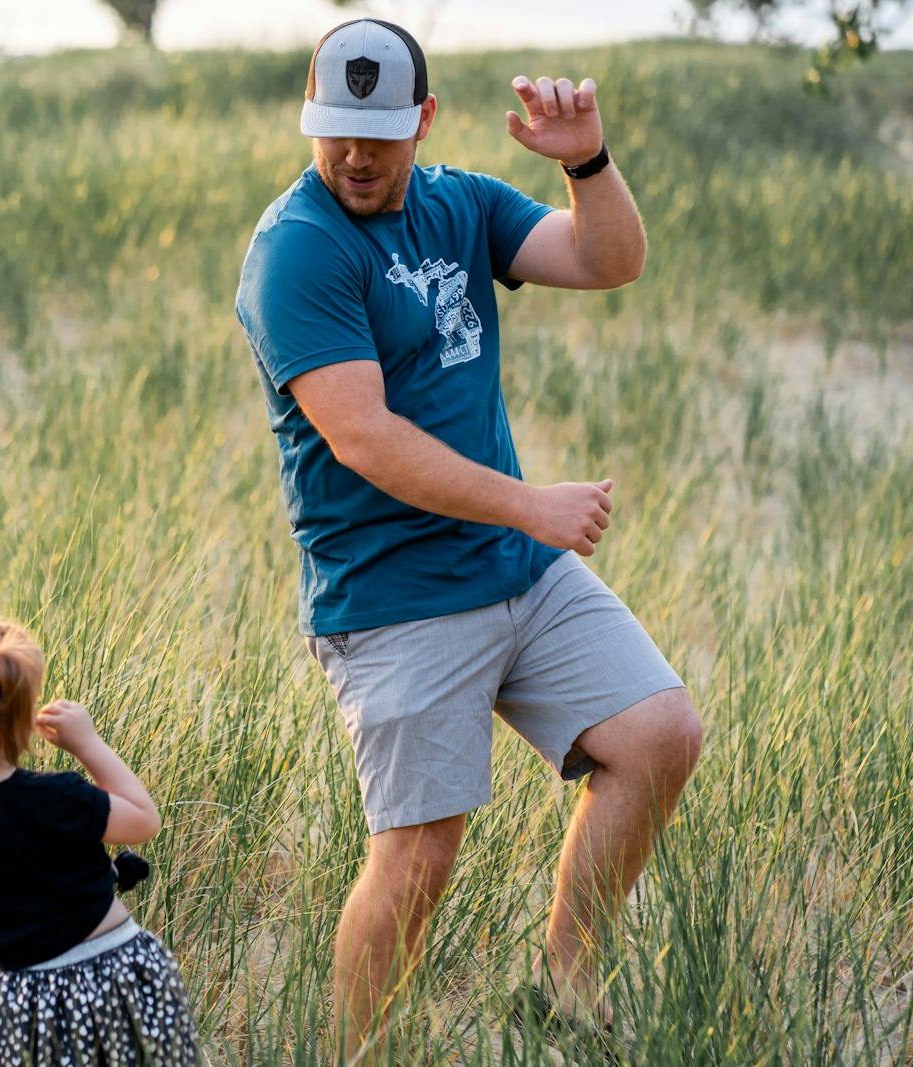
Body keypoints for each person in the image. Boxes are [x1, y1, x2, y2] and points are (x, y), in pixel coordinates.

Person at [235, 17, 703, 1059]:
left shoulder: (462, 204)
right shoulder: (297, 249)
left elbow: (607, 260)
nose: (355, 155)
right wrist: (532, 505)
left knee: (659, 734)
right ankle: (353, 1053)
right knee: (417, 856)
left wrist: (587, 160)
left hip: (513, 569)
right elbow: (364, 438)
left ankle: (567, 976)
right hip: (392, 595)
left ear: (424, 121)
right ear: (311, 121)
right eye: (335, 131)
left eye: (380, 132)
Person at [0, 616, 200, 1065]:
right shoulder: (53, 796)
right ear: (17, 720)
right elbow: (143, 821)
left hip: (18, 1004)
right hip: (114, 978)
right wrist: (88, 744)